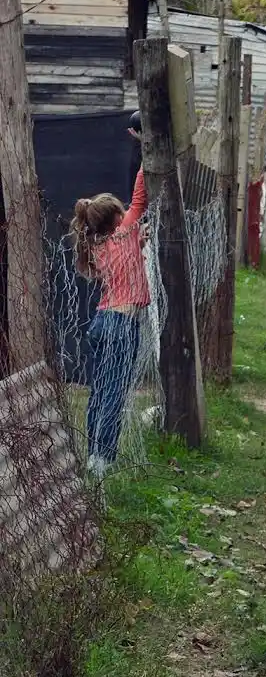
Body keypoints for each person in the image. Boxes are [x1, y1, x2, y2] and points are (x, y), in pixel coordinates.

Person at [72, 188, 151, 477]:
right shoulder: (125, 230)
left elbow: (122, 267)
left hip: (102, 322)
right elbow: (141, 196)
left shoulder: (97, 246)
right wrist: (146, 146)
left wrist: (138, 246)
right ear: (118, 217)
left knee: (100, 391)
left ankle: (93, 452)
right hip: (121, 325)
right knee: (115, 394)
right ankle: (103, 458)